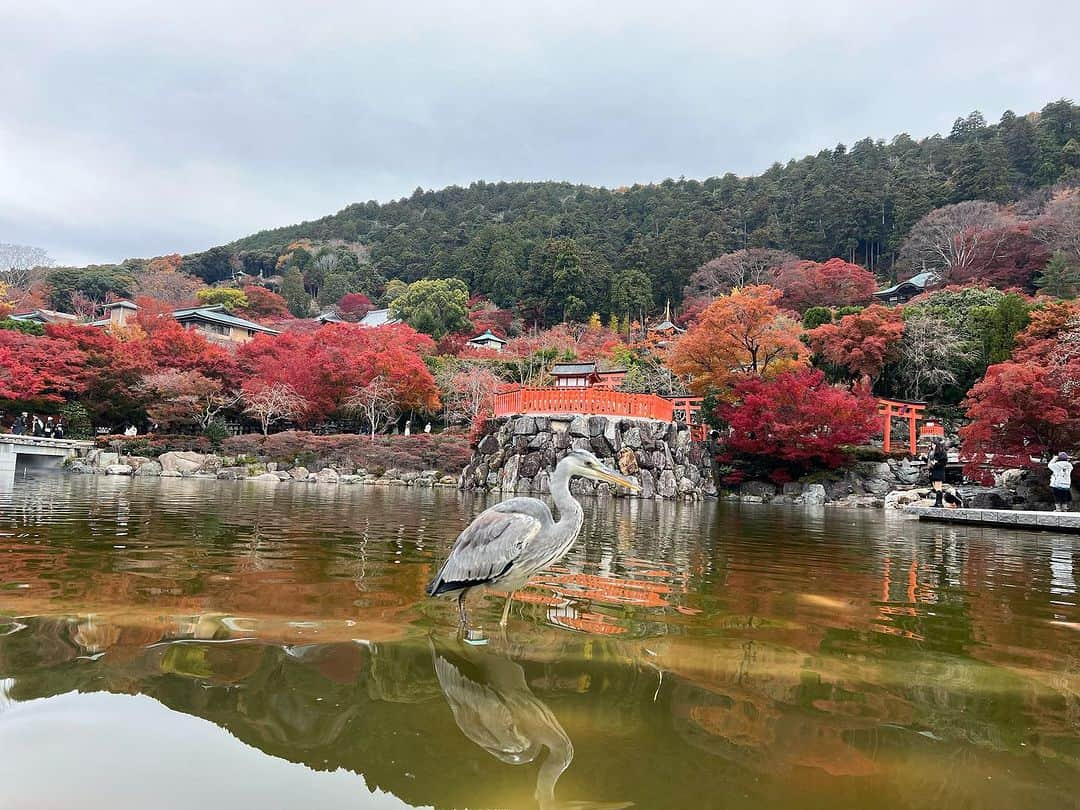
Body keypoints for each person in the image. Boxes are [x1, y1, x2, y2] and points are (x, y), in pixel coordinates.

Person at [924, 438, 949, 508]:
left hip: (939, 471)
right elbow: (928, 462)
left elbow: (944, 462)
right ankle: (937, 502)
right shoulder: (931, 452)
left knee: (938, 487)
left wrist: (936, 463)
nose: (932, 446)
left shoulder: (941, 452)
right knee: (935, 487)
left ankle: (939, 503)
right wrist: (924, 458)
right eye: (932, 444)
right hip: (932, 471)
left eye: (934, 444)